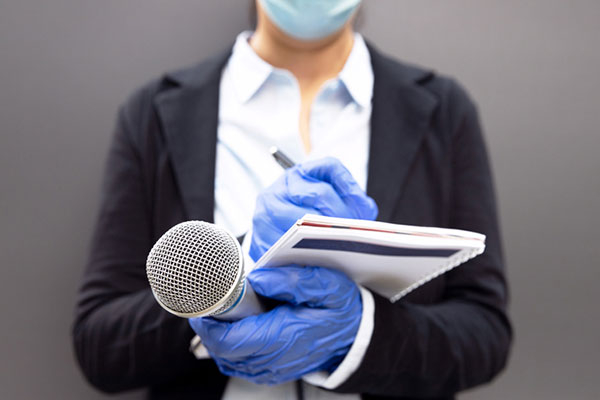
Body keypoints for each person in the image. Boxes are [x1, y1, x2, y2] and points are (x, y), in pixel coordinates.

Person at [72, 1, 512, 399]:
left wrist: (360, 332)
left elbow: (485, 333)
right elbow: (100, 345)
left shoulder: (443, 110)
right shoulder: (155, 113)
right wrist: (231, 269)